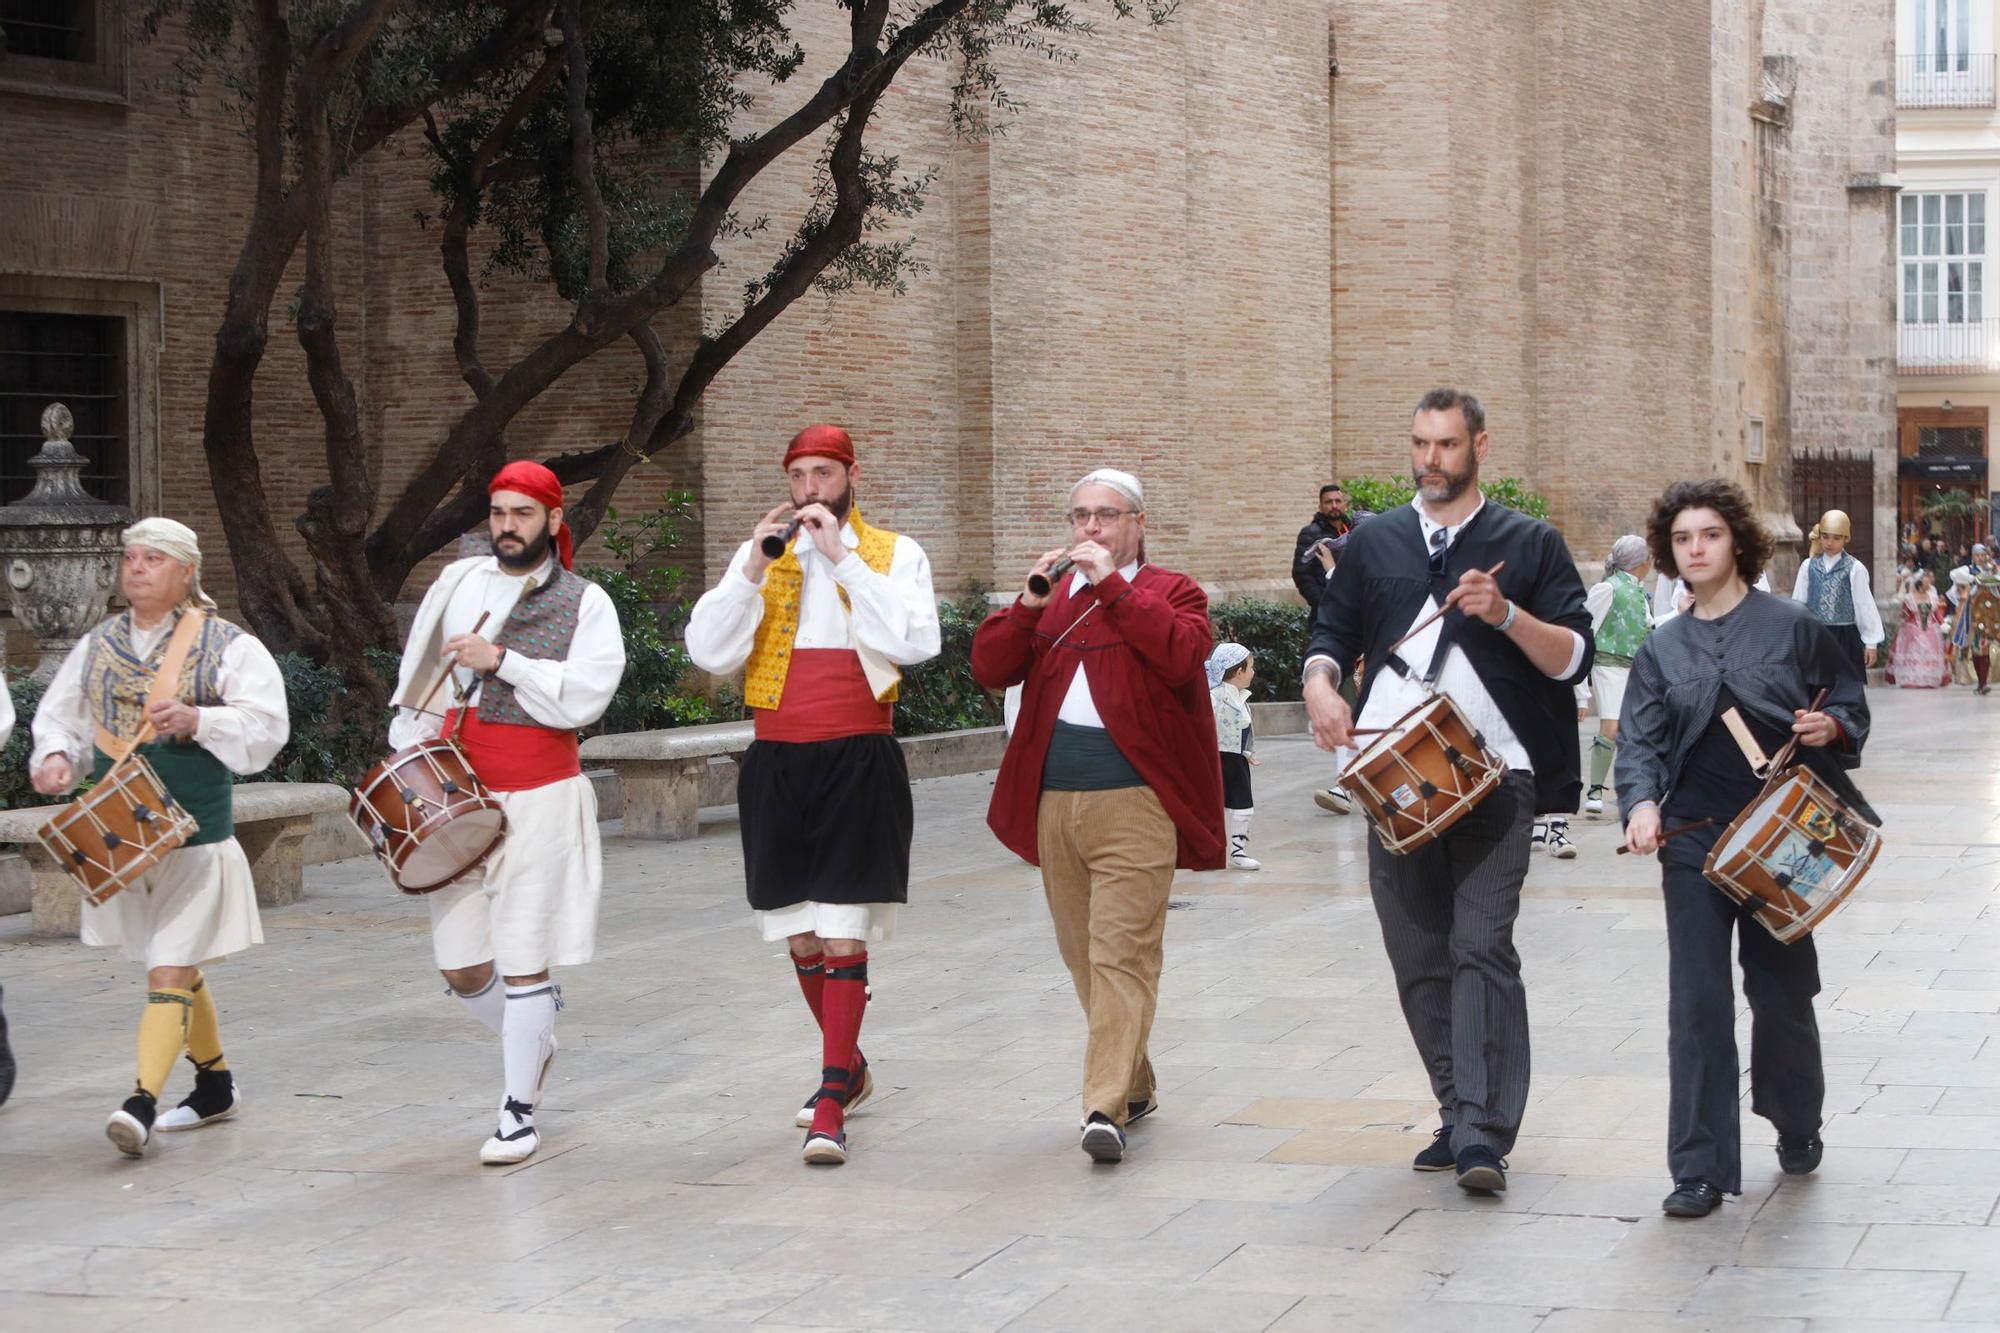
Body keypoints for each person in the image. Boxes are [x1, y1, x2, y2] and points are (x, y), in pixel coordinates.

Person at [1302, 388, 1593, 1195]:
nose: (1431, 459)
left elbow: (1573, 657)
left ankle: (1484, 1134)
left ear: (1480, 447)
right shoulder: (1376, 541)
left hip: (1501, 777)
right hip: (1395, 780)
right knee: (1417, 952)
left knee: (1481, 945)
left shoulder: (1530, 543)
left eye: (1447, 445)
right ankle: (1458, 1106)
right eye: (1420, 443)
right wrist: (1323, 686)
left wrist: (1505, 615)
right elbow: (1331, 633)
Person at [685, 424, 940, 1167]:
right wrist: (749, 574)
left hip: (858, 753)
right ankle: (851, 1065)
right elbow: (709, 652)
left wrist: (843, 559)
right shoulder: (761, 555)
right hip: (778, 759)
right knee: (799, 931)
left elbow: (915, 640)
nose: (808, 491)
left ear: (851, 474)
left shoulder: (894, 552)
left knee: (842, 928)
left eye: (823, 474)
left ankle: (831, 1096)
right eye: (798, 476)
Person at [1617, 478, 1870, 1219]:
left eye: (1710, 535)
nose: (1695, 548)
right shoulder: (1660, 649)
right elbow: (1639, 741)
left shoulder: (1792, 626)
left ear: (1737, 543)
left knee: (1781, 993)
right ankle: (1697, 1167)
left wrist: (1835, 728)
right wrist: (1637, 804)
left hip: (1784, 837)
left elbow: (1846, 699)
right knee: (1696, 1002)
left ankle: (1796, 1117)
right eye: (1683, 538)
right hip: (1693, 842)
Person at [971, 467, 1223, 1164]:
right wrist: (1024, 605)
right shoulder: (1052, 598)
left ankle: (1102, 1107)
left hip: (1137, 803)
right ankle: (1135, 1080)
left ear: (1138, 523)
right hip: (1056, 801)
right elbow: (991, 668)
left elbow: (1178, 654)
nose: (1089, 528)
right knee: (1084, 955)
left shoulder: (1173, 590)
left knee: (1121, 953)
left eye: (1106, 515)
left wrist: (1112, 583)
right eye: (1080, 514)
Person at [387, 461, 625, 1165]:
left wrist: (504, 661)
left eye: (522, 513)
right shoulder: (459, 582)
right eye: (497, 512)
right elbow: (420, 671)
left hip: (541, 795)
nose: (506, 526)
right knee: (462, 966)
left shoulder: (588, 602)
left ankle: (517, 1111)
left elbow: (583, 700)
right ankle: (535, 1033)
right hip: (458, 793)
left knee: (524, 958)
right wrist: (406, 747)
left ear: (553, 520)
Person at [30, 519, 289, 1156]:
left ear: (185, 572)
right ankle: (215, 1085)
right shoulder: (99, 642)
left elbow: (267, 726)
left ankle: (140, 1102)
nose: (136, 568)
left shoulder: (229, 644)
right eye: (130, 558)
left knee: (167, 966)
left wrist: (200, 717)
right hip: (121, 836)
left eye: (152, 559)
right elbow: (61, 715)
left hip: (195, 834)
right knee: (170, 962)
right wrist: (56, 758)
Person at [1579, 535, 1656, 816]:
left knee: (1634, 730)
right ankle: (1595, 790)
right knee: (1610, 727)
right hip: (1608, 666)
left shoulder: (1638, 591)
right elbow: (1584, 632)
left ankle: (1628, 789)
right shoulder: (1607, 589)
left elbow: (1650, 627)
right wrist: (1580, 691)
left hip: (1635, 669)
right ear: (1642, 562)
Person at [1790, 510, 1883, 673]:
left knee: (1845, 690)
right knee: (1816, 690)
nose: (1829, 543)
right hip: (1816, 638)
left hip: (1844, 639)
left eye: (1836, 538)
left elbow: (1864, 605)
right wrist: (1797, 637)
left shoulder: (1855, 568)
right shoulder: (1808, 566)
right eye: (1825, 537)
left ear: (1846, 538)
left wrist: (1871, 643)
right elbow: (1798, 604)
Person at [1208, 643, 1262, 870]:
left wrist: (1247, 752)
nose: (1253, 671)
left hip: (1237, 761)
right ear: (1238, 672)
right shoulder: (1214, 697)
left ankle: (1238, 851)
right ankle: (1207, 849)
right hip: (1215, 759)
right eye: (1250, 667)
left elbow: (1245, 729)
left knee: (1243, 805)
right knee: (1211, 803)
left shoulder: (1242, 698)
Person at [1292, 483, 1356, 607]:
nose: (1334, 506)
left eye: (1338, 501)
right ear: (1320, 507)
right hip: (1327, 608)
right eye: (1328, 502)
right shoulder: (1310, 533)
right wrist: (1323, 604)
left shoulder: (1354, 531)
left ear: (1345, 505)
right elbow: (1302, 575)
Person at [1948, 545, 2000, 694]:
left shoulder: (1991, 570)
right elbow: (1954, 575)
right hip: (1975, 614)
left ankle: (1983, 681)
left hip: (1990, 613)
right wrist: (1974, 578)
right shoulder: (1969, 570)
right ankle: (1981, 683)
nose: (1981, 558)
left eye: (1983, 555)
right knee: (1978, 648)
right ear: (1973, 556)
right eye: (1978, 556)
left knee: (1987, 648)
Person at [1894, 569, 1950, 690]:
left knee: (1929, 651)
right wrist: (1902, 615)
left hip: (1930, 627)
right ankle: (1914, 678)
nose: (1928, 584)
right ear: (1919, 584)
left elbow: (1936, 613)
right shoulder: (1909, 598)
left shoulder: (1932, 596)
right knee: (1916, 651)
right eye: (1925, 582)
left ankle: (1928, 678)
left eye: (1928, 582)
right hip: (1914, 627)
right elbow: (1906, 614)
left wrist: (1943, 623)